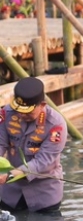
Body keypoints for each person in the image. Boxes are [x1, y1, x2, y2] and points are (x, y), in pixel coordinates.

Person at [0, 77, 67, 213]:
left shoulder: (56, 125)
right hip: (11, 193)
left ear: (42, 105)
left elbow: (42, 162)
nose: (21, 115)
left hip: (44, 193)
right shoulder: (5, 115)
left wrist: (10, 175)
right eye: (18, 109)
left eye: (27, 112)